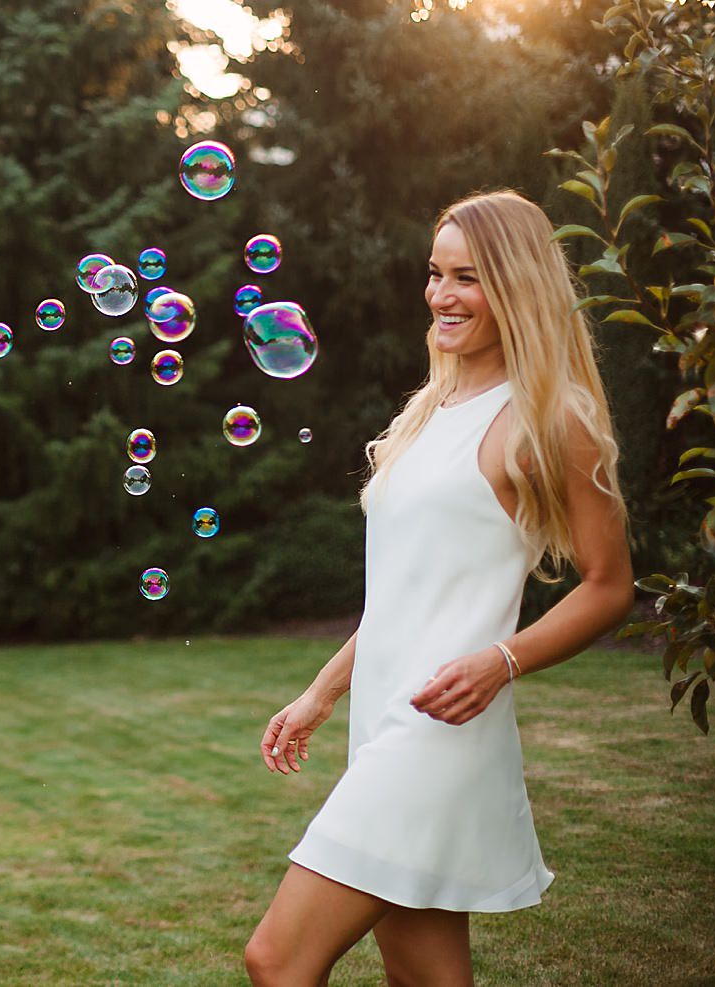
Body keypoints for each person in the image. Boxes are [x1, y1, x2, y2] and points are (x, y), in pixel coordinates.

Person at [244, 191, 635, 986]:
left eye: (467, 277)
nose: (441, 295)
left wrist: (503, 659)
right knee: (426, 978)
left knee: (277, 958)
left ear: (516, 284)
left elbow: (610, 585)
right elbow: (402, 592)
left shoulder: (552, 418)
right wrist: (321, 693)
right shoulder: (431, 408)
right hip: (384, 715)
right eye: (434, 273)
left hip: (440, 732)